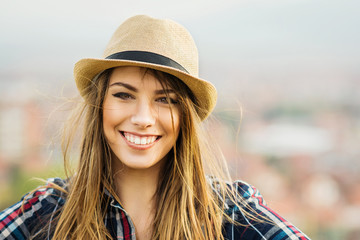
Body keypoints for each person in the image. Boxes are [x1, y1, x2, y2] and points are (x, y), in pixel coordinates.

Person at [0, 15, 310, 240]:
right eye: (124, 95)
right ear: (100, 104)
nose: (143, 118)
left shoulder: (232, 216)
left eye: (166, 100)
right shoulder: (45, 214)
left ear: (186, 116)